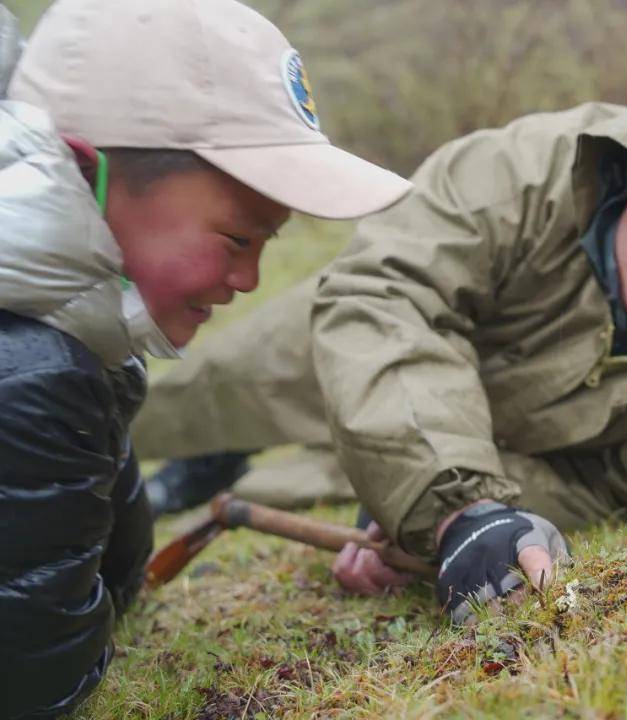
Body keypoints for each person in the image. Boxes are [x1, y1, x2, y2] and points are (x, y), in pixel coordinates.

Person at [132, 47, 627, 623]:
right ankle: (183, 455)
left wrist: (445, 513)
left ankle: (239, 478)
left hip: (507, 437)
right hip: (368, 342)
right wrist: (454, 504)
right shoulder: (518, 172)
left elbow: (611, 490)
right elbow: (388, 296)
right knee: (198, 395)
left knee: (346, 473)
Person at [0, 0, 410, 716]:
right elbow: (39, 683)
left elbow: (107, 586)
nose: (249, 280)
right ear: (88, 172)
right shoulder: (35, 375)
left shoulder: (86, 350)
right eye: (235, 239)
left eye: (265, 245)